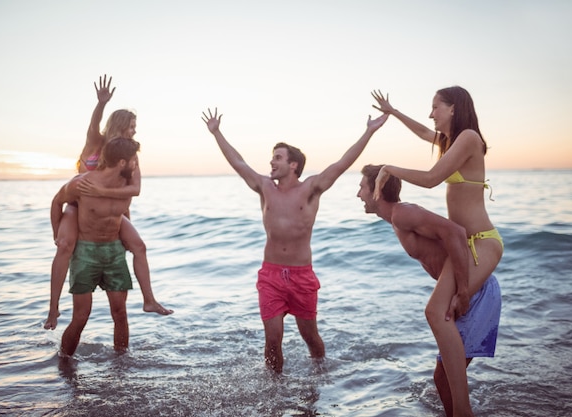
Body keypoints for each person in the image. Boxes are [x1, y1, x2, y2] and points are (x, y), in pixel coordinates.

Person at [201, 107, 389, 373]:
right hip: (271, 276)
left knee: (310, 338)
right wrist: (217, 132)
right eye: (272, 157)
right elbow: (238, 163)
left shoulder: (310, 188)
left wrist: (368, 131)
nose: (271, 162)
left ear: (293, 165)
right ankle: (274, 392)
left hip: (302, 276)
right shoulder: (265, 188)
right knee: (273, 340)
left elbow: (341, 164)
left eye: (277, 158)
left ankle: (320, 376)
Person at [371, 88, 503, 416]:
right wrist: (395, 111)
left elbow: (431, 179)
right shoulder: (452, 142)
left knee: (435, 311)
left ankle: (463, 410)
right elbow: (423, 133)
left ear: (454, 108)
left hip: (484, 242)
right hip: (465, 245)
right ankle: (458, 408)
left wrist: (389, 168)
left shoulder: (469, 138)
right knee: (436, 315)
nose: (432, 114)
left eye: (435, 107)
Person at [357, 164, 501, 417]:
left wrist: (464, 291)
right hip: (467, 290)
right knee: (441, 379)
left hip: (474, 293)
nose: (358, 195)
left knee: (446, 379)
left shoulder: (403, 213)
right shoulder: (397, 219)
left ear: (377, 190)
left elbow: (456, 232)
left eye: (361, 188)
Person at [44, 75, 171, 331]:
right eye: (132, 125)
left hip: (112, 209)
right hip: (78, 205)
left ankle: (149, 300)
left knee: (138, 246)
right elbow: (93, 125)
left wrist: (108, 197)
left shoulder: (129, 153)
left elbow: (134, 189)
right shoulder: (96, 141)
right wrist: (101, 104)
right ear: (122, 124)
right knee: (65, 245)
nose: (135, 130)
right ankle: (53, 308)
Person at [51, 137, 141, 356]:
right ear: (122, 162)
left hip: (114, 251)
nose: (137, 165)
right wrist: (57, 234)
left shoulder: (126, 185)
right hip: (85, 252)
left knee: (120, 312)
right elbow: (56, 202)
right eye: (133, 161)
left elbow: (132, 197)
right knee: (81, 316)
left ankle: (121, 366)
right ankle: (64, 363)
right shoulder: (81, 183)